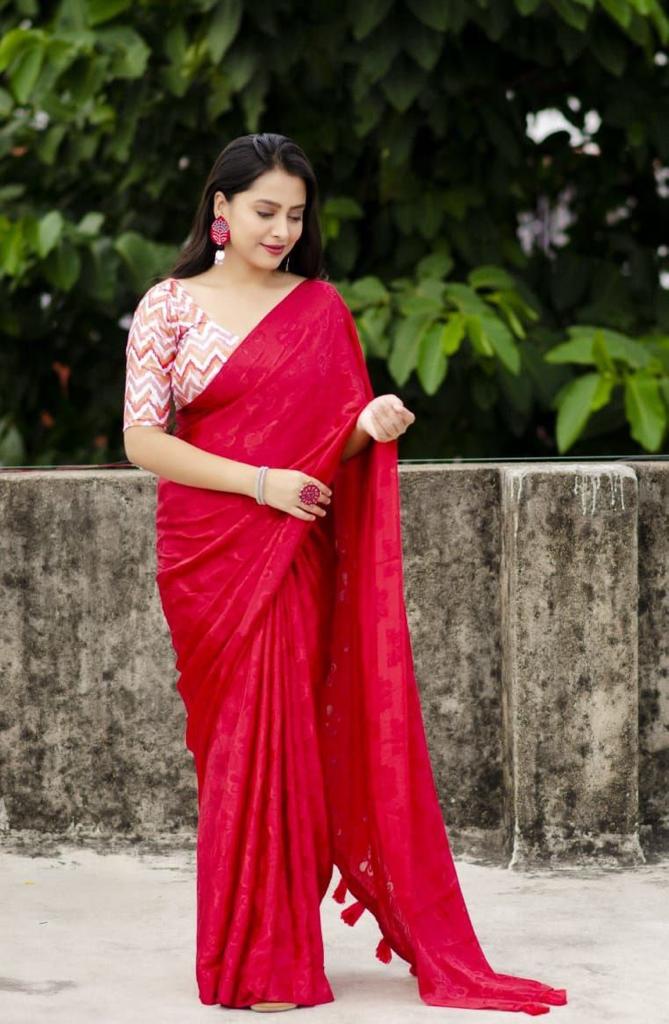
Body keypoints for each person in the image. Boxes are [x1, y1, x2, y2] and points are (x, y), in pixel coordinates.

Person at [122, 132, 568, 1016]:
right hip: (210, 553)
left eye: (294, 213)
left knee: (284, 742)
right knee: (236, 750)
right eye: (263, 211)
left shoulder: (319, 310)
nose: (281, 229)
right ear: (220, 209)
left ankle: (278, 962)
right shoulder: (170, 306)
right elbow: (143, 441)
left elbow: (335, 445)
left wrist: (370, 423)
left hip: (294, 550)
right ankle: (244, 958)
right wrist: (260, 483)